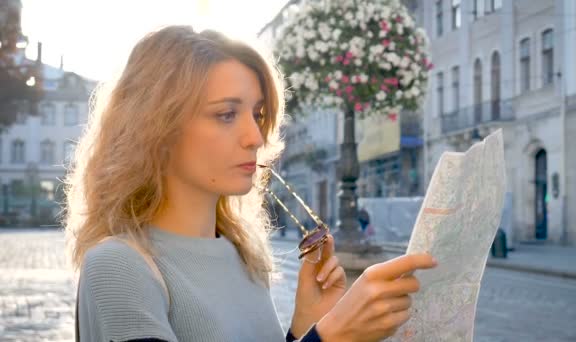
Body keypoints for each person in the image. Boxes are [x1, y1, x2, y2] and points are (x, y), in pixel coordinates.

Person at [64, 26, 437, 342]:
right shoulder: (118, 265)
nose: (255, 136)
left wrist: (305, 327)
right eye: (226, 114)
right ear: (158, 130)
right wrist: (330, 337)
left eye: (257, 114)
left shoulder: (242, 257)